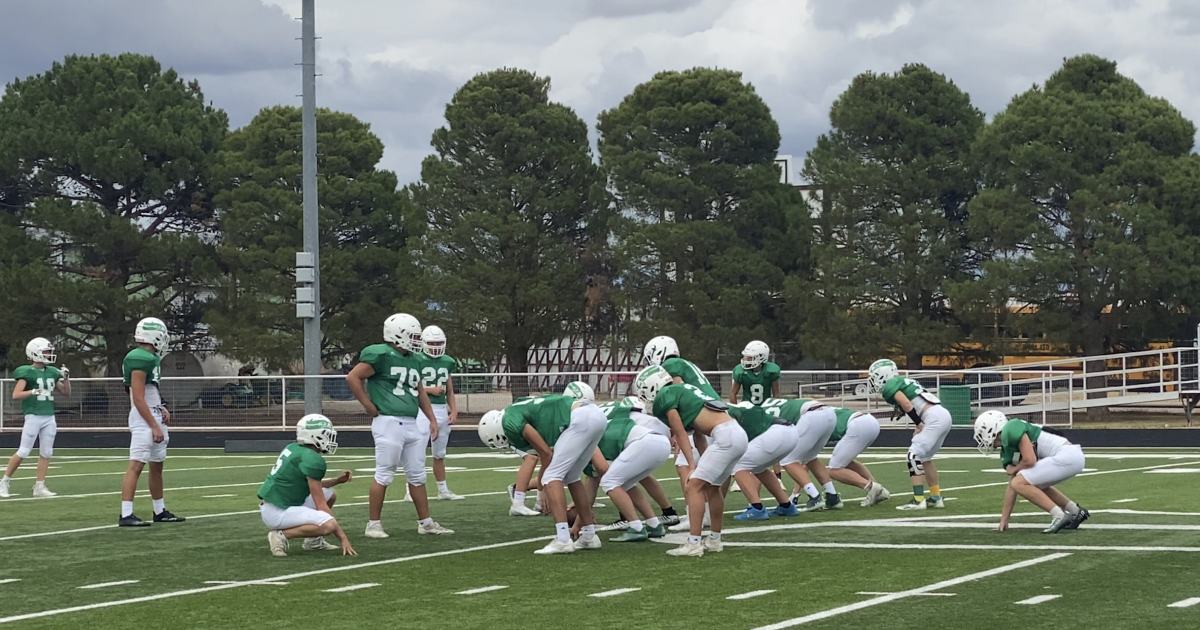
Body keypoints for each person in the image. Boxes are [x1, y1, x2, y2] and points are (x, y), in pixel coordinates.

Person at [347, 313, 453, 539]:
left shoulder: (414, 359)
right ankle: (373, 524)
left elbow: (419, 391)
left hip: (411, 422)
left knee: (417, 476)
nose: (417, 340)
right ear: (398, 335)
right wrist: (367, 405)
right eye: (413, 336)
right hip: (388, 421)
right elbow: (353, 377)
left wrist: (432, 418)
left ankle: (425, 523)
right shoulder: (380, 354)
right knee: (384, 474)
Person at [638, 365, 748, 557]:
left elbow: (680, 432)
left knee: (693, 486)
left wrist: (690, 466)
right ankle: (714, 540)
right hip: (735, 433)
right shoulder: (683, 390)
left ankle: (694, 543)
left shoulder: (666, 395)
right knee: (713, 487)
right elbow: (698, 435)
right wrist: (701, 461)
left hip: (725, 436)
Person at [479, 393, 607, 555]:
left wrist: (543, 490)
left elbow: (546, 453)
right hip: (593, 414)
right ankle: (589, 536)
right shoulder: (517, 408)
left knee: (552, 476)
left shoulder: (509, 420)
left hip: (580, 418)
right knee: (572, 477)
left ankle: (563, 539)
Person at [974, 410, 1089, 533]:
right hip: (1071, 456)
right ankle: (1074, 511)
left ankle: (1058, 515)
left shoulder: (1011, 428)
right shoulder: (1007, 447)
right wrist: (1004, 520)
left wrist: (1015, 469)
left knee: (1020, 482)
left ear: (993, 428)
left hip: (1067, 455)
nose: (982, 438)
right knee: (1027, 483)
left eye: (982, 433)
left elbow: (1030, 460)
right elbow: (1012, 485)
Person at [259, 415, 356, 557]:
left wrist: (337, 480)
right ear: (315, 436)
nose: (329, 439)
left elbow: (310, 485)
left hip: (278, 503)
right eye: (326, 435)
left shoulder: (294, 448)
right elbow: (322, 506)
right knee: (328, 524)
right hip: (278, 511)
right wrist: (343, 538)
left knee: (330, 493)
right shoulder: (312, 459)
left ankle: (313, 542)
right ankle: (280, 535)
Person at [119, 318, 185, 527]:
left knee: (157, 466)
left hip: (152, 413)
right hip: (143, 418)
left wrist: (161, 407)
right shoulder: (139, 357)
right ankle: (126, 513)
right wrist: (154, 425)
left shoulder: (150, 357)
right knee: (136, 465)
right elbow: (137, 397)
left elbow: (149, 391)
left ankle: (159, 510)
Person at [868, 359, 951, 510]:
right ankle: (935, 498)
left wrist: (919, 423)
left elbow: (907, 404)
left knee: (913, 455)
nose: (873, 382)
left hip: (932, 417)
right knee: (925, 458)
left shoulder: (890, 385)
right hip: (941, 414)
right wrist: (918, 423)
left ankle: (919, 500)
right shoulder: (904, 380)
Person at [588, 399, 672, 541]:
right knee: (624, 483)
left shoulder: (586, 436)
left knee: (609, 482)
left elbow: (596, 476)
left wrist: (583, 521)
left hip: (646, 442)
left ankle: (636, 527)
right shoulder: (598, 423)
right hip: (660, 441)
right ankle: (654, 524)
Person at [1, 338, 70, 498]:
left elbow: (66, 393)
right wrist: (34, 392)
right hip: (33, 415)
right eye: (46, 352)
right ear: (35, 353)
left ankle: (39, 486)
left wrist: (66, 378)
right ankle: (4, 482)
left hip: (49, 416)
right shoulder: (26, 371)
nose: (49, 355)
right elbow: (16, 394)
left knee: (47, 452)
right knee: (24, 451)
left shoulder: (52, 372)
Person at [758, 398, 843, 512]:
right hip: (829, 412)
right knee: (810, 457)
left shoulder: (759, 415)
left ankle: (815, 497)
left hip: (812, 415)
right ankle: (832, 496)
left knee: (788, 460)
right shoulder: (771, 404)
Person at [726, 401, 799, 520]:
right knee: (758, 468)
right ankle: (786, 506)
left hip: (775, 433)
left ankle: (757, 508)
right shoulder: (728, 409)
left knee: (737, 465)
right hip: (790, 431)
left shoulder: (717, 413)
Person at [416, 325, 463, 501]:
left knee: (440, 453)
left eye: (439, 342)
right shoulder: (416, 359)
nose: (435, 346)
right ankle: (409, 489)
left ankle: (443, 490)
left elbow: (449, 389)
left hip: (441, 409)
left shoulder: (447, 361)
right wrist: (430, 390)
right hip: (421, 409)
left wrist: (454, 410)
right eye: (432, 342)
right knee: (417, 451)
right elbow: (411, 386)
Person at [823, 408, 889, 506]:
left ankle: (870, 487)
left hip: (858, 425)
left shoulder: (811, 423)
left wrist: (796, 492)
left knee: (834, 470)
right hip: (870, 421)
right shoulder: (823, 412)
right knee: (846, 462)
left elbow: (808, 460)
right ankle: (879, 491)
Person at [729, 341, 780, 405]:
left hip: (765, 407)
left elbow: (776, 395)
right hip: (747, 408)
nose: (746, 360)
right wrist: (735, 411)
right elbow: (733, 394)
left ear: (761, 357)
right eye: (746, 357)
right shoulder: (740, 371)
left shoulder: (771, 371)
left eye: (750, 357)